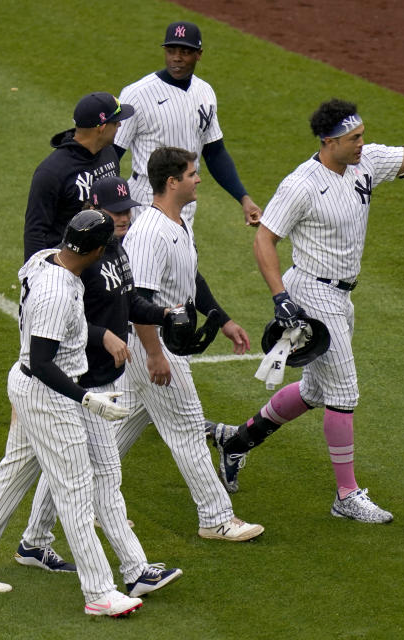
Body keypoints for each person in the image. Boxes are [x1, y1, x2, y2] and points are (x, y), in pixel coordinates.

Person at [209, 85, 404, 523]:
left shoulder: (363, 162)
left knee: (315, 391)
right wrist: (281, 299)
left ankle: (237, 441)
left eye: (362, 135)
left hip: (341, 295)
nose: (362, 143)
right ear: (329, 142)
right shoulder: (301, 185)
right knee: (344, 392)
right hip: (311, 293)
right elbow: (265, 239)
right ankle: (346, 496)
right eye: (354, 138)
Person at [0, 211, 145, 618]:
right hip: (46, 393)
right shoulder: (56, 291)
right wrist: (86, 399)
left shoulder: (44, 259)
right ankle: (99, 592)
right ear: (94, 250)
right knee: (75, 490)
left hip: (30, 386)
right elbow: (41, 360)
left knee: (13, 475)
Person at [15, 176, 183, 597]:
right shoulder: (76, 264)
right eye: (116, 211)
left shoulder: (113, 251)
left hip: (86, 382)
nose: (124, 218)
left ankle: (30, 543)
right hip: (74, 381)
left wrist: (165, 313)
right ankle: (131, 571)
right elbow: (60, 322)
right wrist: (101, 335)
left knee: (41, 473)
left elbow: (127, 303)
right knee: (96, 477)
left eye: (128, 210)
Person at [114, 146, 264, 542]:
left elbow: (191, 279)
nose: (199, 179)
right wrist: (154, 355)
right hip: (155, 343)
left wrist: (225, 319)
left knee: (122, 426)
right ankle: (216, 517)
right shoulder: (149, 232)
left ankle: (86, 495)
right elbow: (136, 302)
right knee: (187, 427)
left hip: (158, 344)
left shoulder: (177, 223)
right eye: (192, 174)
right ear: (171, 182)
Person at [114, 20, 262, 228]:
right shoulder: (137, 94)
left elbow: (215, 152)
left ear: (198, 54)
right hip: (147, 200)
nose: (177, 58)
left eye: (185, 52)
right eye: (171, 50)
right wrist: (107, 201)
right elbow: (112, 153)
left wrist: (244, 198)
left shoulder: (205, 92)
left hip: (186, 202)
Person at [23, 91, 134, 261]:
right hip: (66, 268)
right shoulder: (51, 172)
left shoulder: (109, 153)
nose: (119, 125)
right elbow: (35, 231)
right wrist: (33, 278)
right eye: (115, 121)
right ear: (102, 127)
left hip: (102, 260)